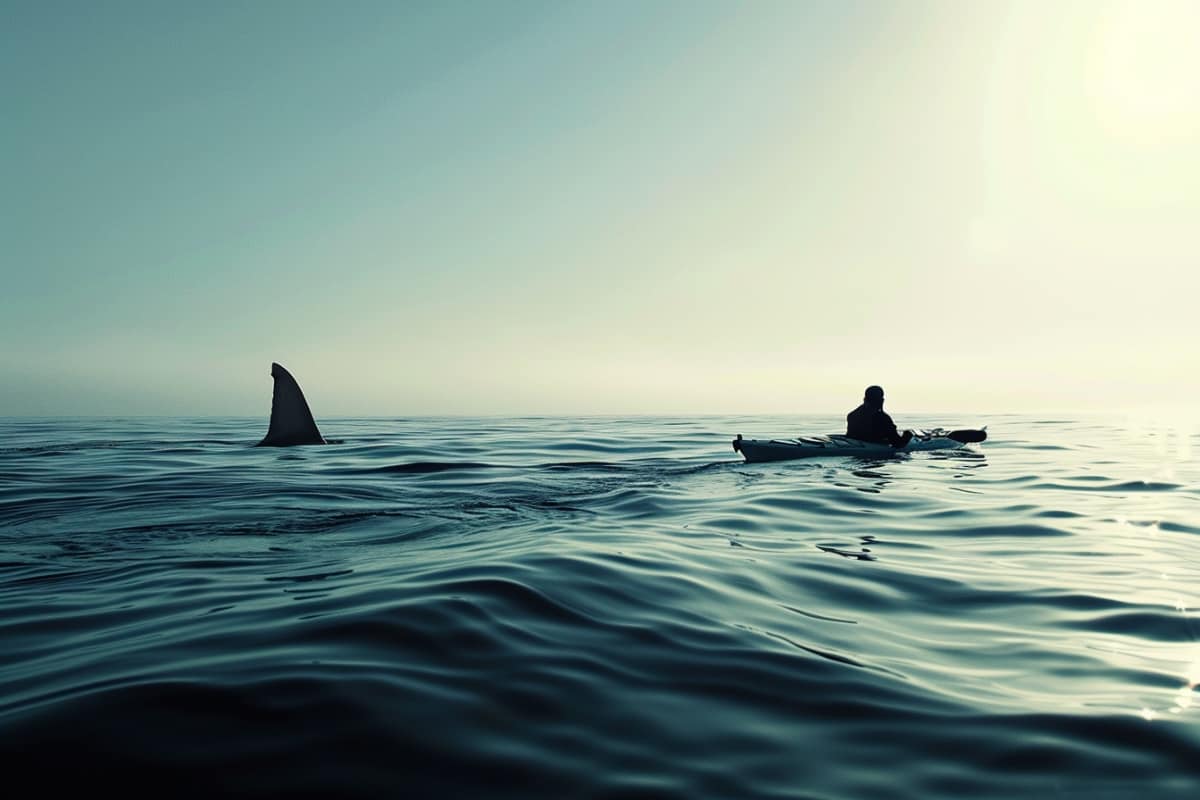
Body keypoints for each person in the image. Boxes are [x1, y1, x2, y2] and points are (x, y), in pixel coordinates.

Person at [846, 385, 914, 447]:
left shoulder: (851, 415)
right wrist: (908, 436)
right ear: (881, 400)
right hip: (876, 454)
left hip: (857, 452)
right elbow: (898, 444)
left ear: (865, 399)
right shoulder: (883, 418)